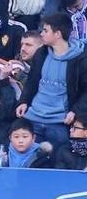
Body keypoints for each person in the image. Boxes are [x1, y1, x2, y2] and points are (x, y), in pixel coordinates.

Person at [16, 13, 87, 149]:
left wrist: (75, 111)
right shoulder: (41, 53)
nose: (41, 33)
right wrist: (24, 101)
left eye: (45, 30)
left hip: (59, 122)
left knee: (57, 161)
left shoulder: (80, 59)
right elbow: (32, 81)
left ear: (58, 34)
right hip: (33, 117)